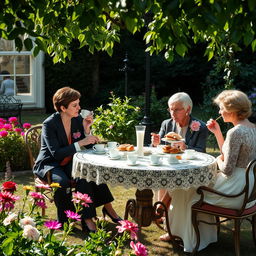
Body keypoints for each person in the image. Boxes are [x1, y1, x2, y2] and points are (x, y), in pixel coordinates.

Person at [161, 90, 256, 252]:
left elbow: (226, 168)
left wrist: (217, 159)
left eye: (221, 108)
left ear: (231, 110)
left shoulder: (235, 132)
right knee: (189, 187)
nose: (219, 112)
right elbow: (231, 156)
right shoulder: (252, 128)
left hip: (234, 190)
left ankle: (184, 236)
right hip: (248, 187)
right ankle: (201, 235)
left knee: (184, 189)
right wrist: (218, 133)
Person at [33, 87, 121, 232]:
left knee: (87, 174)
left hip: (70, 161)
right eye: (75, 105)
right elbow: (56, 153)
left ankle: (89, 219)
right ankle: (67, 219)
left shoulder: (77, 119)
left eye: (78, 104)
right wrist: (81, 142)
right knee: (62, 183)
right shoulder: (49, 124)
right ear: (63, 107)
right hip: (51, 163)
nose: (79, 108)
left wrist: (86, 130)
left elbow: (80, 145)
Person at [151, 92, 208, 212]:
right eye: (171, 109)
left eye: (177, 110)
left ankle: (161, 210)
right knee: (161, 175)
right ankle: (161, 211)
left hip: (188, 169)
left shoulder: (200, 127)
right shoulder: (167, 124)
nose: (173, 113)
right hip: (169, 165)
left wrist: (185, 147)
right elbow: (160, 145)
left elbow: (202, 151)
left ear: (188, 109)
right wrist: (155, 142)